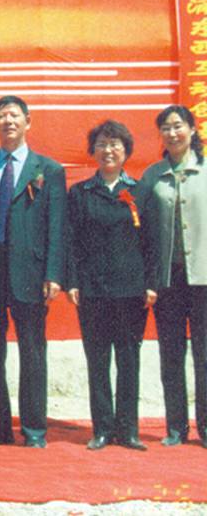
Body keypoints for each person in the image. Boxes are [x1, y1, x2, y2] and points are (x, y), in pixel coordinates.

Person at [0, 95, 65, 448]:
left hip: (30, 273)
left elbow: (57, 226)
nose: (8, 121)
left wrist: (54, 273)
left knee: (32, 352)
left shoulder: (49, 170)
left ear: (27, 122)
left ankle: (34, 429)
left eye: (14, 115)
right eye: (2, 116)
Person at [65, 120, 155, 451]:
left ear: (126, 150)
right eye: (102, 144)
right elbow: (70, 241)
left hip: (131, 290)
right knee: (98, 359)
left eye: (115, 144)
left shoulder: (140, 191)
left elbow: (152, 242)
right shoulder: (80, 193)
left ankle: (128, 430)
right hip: (93, 290)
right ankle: (102, 428)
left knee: (129, 359)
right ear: (93, 151)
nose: (108, 150)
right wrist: (72, 281)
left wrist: (151, 284)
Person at [140, 105, 207, 448]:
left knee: (205, 356)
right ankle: (176, 427)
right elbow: (138, 225)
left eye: (178, 126)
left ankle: (205, 427)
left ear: (193, 129)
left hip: (204, 278)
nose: (172, 133)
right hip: (168, 279)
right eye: (165, 128)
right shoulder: (153, 176)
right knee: (171, 354)